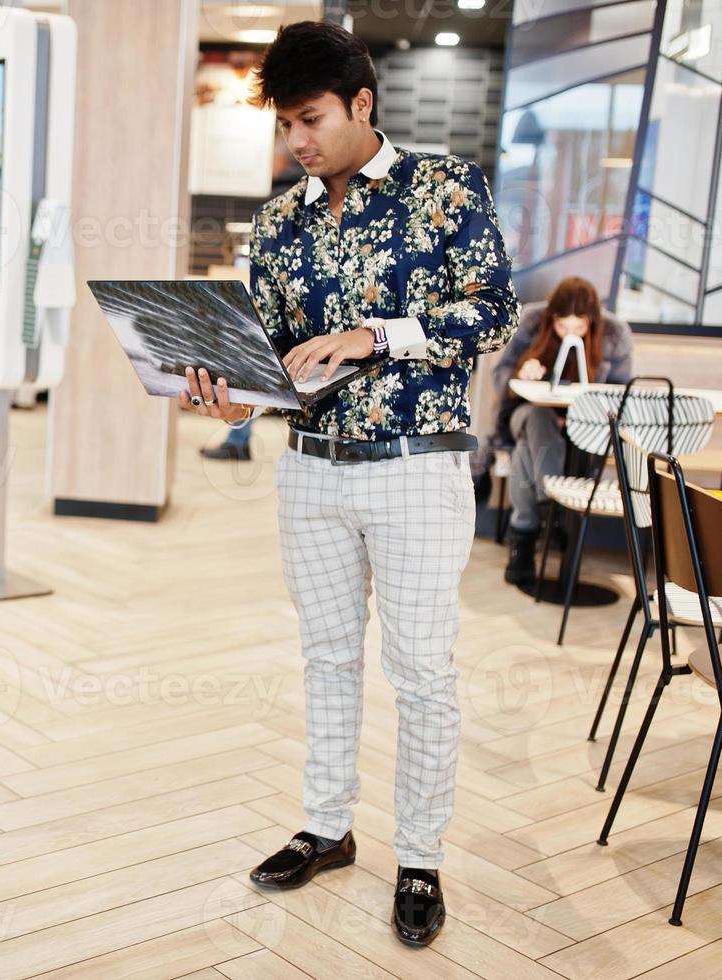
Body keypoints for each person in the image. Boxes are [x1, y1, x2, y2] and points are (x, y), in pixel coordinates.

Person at [178, 22, 518, 947]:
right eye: (285, 125)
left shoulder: (446, 187)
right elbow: (275, 364)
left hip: (418, 469)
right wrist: (232, 397)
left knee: (419, 672)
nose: (296, 141)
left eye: (310, 118)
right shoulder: (281, 220)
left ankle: (419, 856)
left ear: (360, 104)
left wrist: (377, 333)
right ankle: (327, 828)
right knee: (326, 660)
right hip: (312, 472)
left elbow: (493, 311)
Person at [490, 278, 633, 587]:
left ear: (592, 323)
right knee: (537, 418)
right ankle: (552, 506)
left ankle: (524, 538)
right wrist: (523, 371)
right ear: (551, 319)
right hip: (524, 415)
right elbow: (501, 376)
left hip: (583, 429)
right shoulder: (531, 322)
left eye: (579, 329)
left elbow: (619, 396)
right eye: (562, 328)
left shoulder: (614, 334)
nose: (570, 335)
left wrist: (577, 418)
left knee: (526, 454)